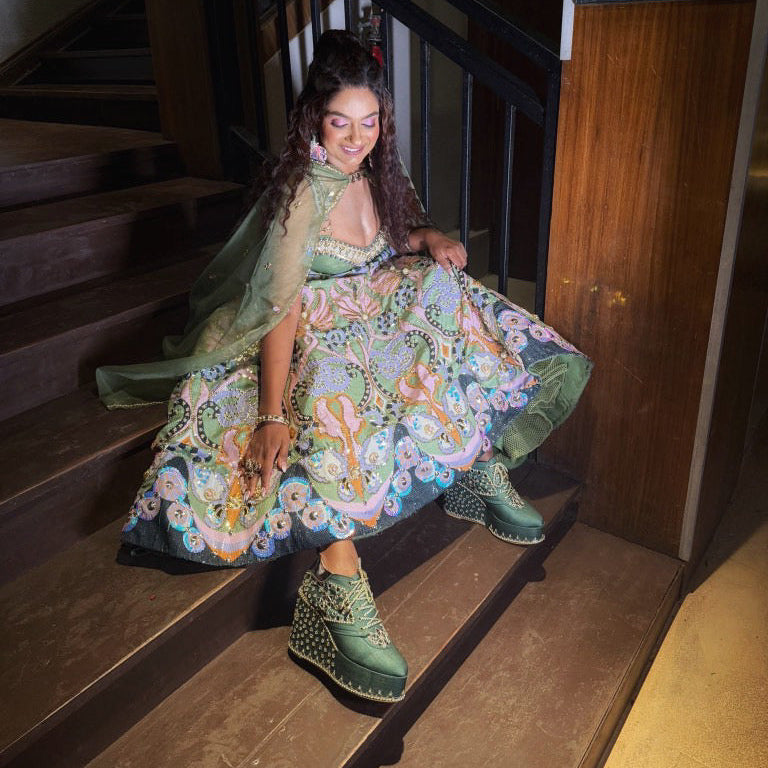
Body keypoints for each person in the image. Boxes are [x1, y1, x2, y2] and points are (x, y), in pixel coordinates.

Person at [96, 29, 592, 704]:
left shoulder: (375, 169)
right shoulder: (303, 193)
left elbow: (390, 240)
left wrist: (429, 237)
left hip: (367, 307)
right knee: (334, 377)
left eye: (370, 121)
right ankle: (335, 582)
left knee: (442, 289)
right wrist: (270, 415)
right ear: (313, 119)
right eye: (340, 123)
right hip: (309, 325)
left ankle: (470, 466)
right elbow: (280, 309)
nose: (357, 138)